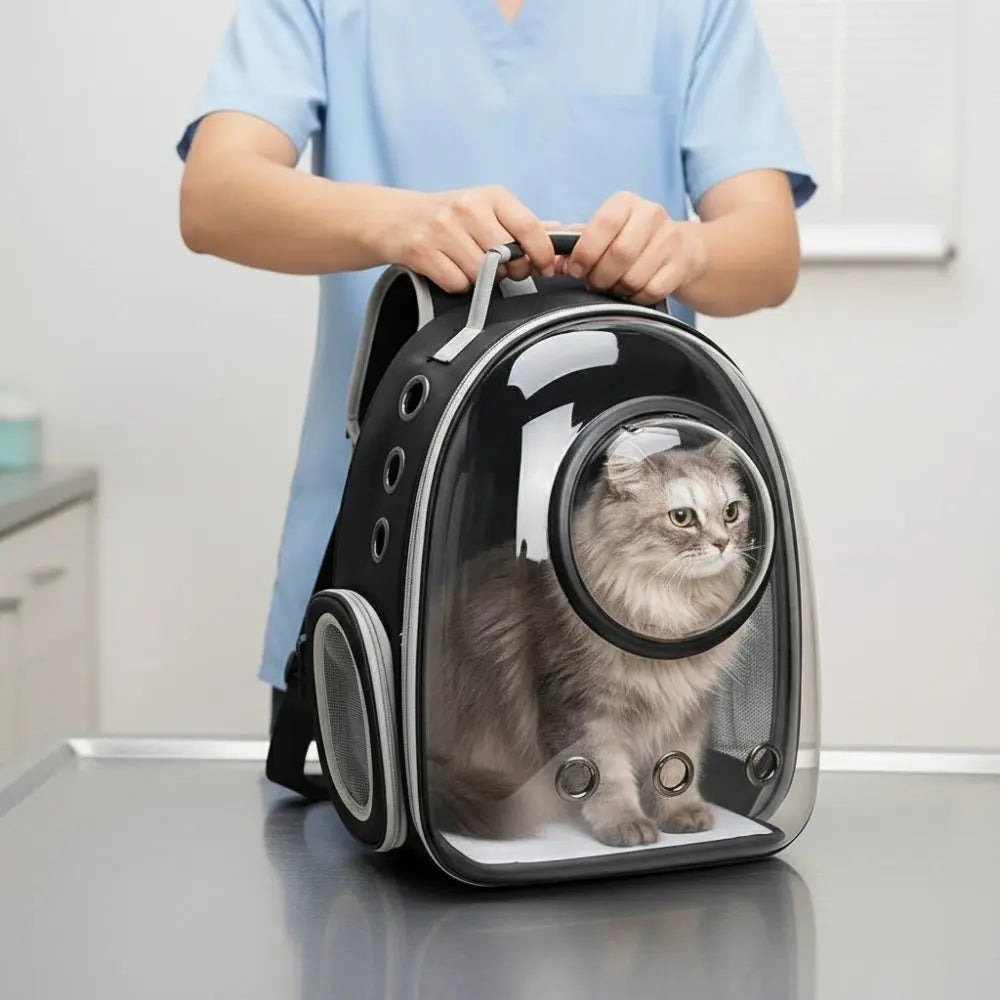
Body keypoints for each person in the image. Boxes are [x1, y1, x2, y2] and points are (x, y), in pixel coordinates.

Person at [177, 0, 815, 724]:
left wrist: (687, 248)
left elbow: (770, 251)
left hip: (640, 586)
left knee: (629, 810)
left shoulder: (694, 11)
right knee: (369, 798)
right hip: (387, 534)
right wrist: (401, 221)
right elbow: (213, 198)